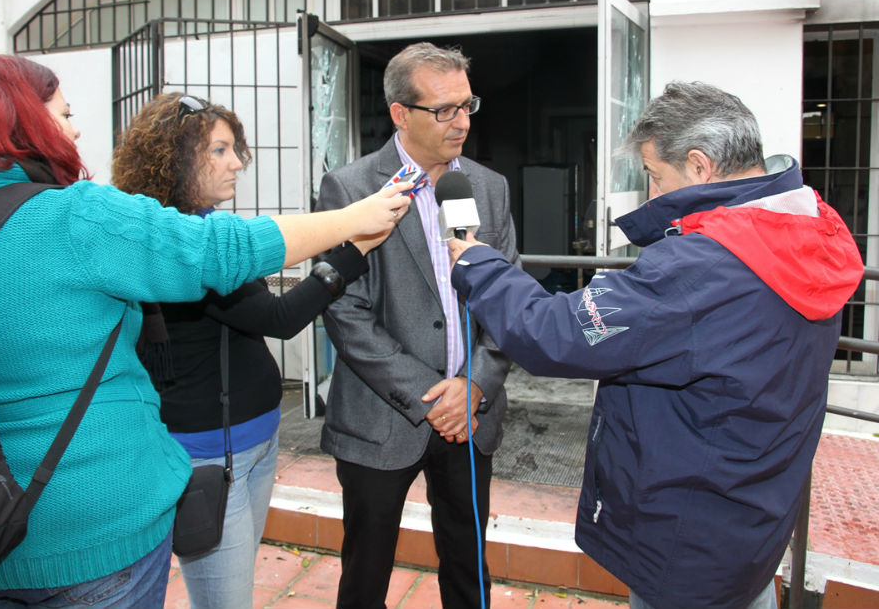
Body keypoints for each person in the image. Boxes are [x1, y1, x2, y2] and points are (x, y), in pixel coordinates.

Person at [0, 51, 410, 609]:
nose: (76, 126)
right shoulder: (75, 215)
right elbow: (222, 254)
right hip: (91, 531)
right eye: (63, 114)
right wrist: (358, 217)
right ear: (20, 122)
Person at [447, 81, 865, 609]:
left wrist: (478, 263)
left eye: (653, 177)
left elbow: (554, 334)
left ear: (699, 166)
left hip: (688, 537)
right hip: (751, 520)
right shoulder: (803, 228)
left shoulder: (705, 267)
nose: (650, 195)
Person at [110, 93, 387, 609]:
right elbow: (278, 319)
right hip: (210, 454)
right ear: (175, 158)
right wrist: (353, 254)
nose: (237, 162)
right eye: (220, 150)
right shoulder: (179, 246)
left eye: (235, 149)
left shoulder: (208, 228)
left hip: (256, 438)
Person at [314, 42, 519, 609]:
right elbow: (343, 309)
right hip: (382, 419)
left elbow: (510, 299)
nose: (462, 121)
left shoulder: (487, 186)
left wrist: (474, 385)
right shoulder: (350, 188)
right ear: (401, 113)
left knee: (466, 566)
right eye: (445, 109)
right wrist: (431, 396)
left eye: (468, 105)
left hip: (470, 416)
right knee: (366, 573)